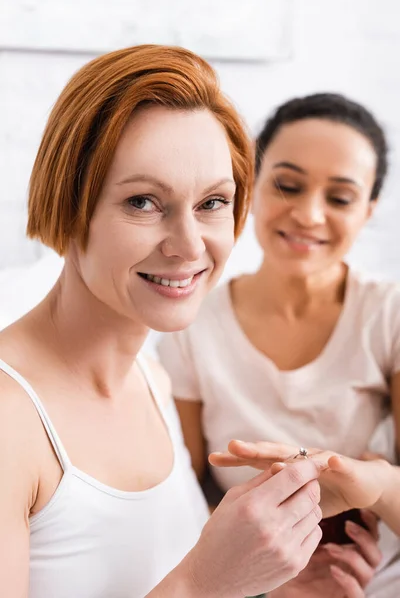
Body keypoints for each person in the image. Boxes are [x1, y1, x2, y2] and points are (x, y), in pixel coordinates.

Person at [0, 45, 325, 598]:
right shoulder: (11, 425)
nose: (190, 245)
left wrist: (276, 582)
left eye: (213, 202)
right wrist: (207, 583)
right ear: (69, 202)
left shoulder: (152, 379)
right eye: (145, 202)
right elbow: (192, 582)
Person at [158, 93, 400, 597]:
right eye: (288, 185)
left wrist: (373, 484)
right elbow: (185, 496)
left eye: (339, 198)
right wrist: (266, 585)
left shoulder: (388, 314)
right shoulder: (190, 321)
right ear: (252, 185)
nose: (309, 215)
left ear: (368, 210)